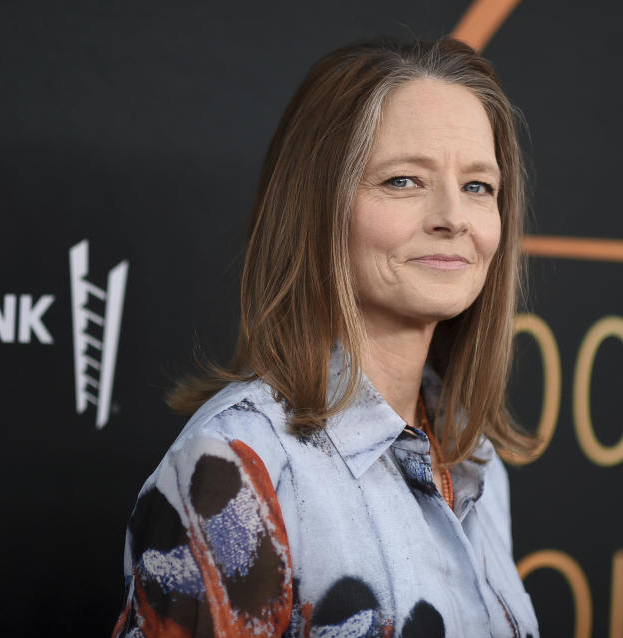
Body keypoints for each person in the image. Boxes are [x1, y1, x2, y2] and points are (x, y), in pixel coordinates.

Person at [112, 37, 541, 638]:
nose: (454, 216)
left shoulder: (475, 457)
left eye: (478, 186)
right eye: (403, 181)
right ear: (318, 207)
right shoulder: (234, 468)